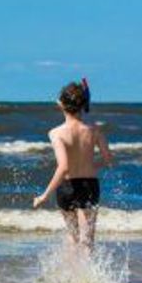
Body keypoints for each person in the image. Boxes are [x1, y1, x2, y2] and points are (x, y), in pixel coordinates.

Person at [33, 79, 113, 251]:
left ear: (61, 105)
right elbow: (108, 160)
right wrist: (91, 166)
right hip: (90, 185)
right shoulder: (94, 131)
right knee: (88, 239)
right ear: (83, 104)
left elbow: (64, 167)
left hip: (67, 187)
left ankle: (72, 275)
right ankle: (88, 276)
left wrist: (44, 195)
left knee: (73, 236)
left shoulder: (56, 133)